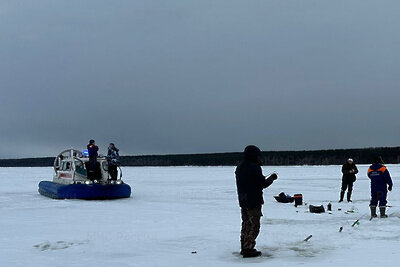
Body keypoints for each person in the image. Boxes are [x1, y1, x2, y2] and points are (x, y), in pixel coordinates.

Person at [235, 145, 278, 258]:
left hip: (243, 201)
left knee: (246, 224)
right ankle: (248, 249)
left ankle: (244, 247)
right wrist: (272, 178)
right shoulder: (254, 167)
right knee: (254, 226)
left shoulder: (240, 167)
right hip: (253, 201)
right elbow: (262, 184)